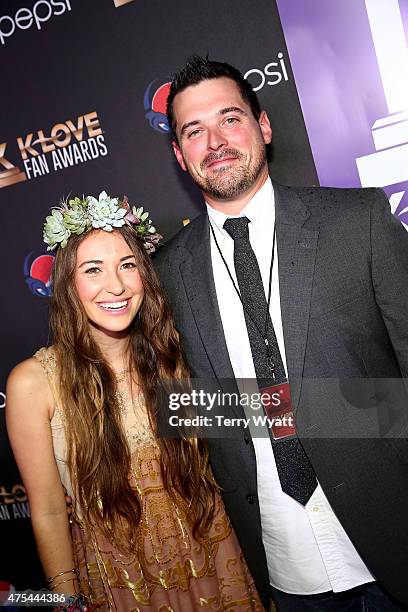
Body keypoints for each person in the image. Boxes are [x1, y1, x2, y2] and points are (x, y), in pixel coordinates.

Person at [153, 56, 408, 611]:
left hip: (392, 538)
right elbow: (186, 412)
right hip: (281, 569)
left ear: (263, 126)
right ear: (179, 154)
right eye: (193, 131)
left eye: (230, 119)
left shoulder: (357, 222)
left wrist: (296, 407)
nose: (214, 141)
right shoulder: (165, 274)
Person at [6, 192, 263, 611]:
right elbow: (51, 511)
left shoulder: (174, 357)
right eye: (93, 270)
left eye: (128, 265)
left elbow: (262, 412)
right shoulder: (35, 382)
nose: (117, 286)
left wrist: (382, 408)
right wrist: (66, 601)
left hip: (216, 556)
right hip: (123, 581)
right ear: (68, 283)